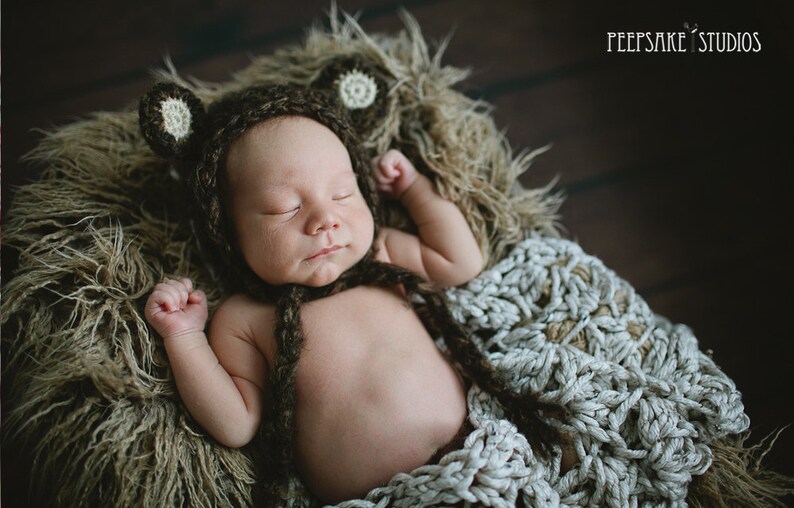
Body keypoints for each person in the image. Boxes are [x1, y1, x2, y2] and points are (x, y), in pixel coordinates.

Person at [140, 81, 566, 504]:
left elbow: (459, 262)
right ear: (228, 233)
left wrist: (415, 190)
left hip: (482, 458)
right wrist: (184, 337)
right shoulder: (245, 317)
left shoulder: (379, 256)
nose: (326, 219)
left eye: (343, 194)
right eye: (285, 208)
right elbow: (236, 423)